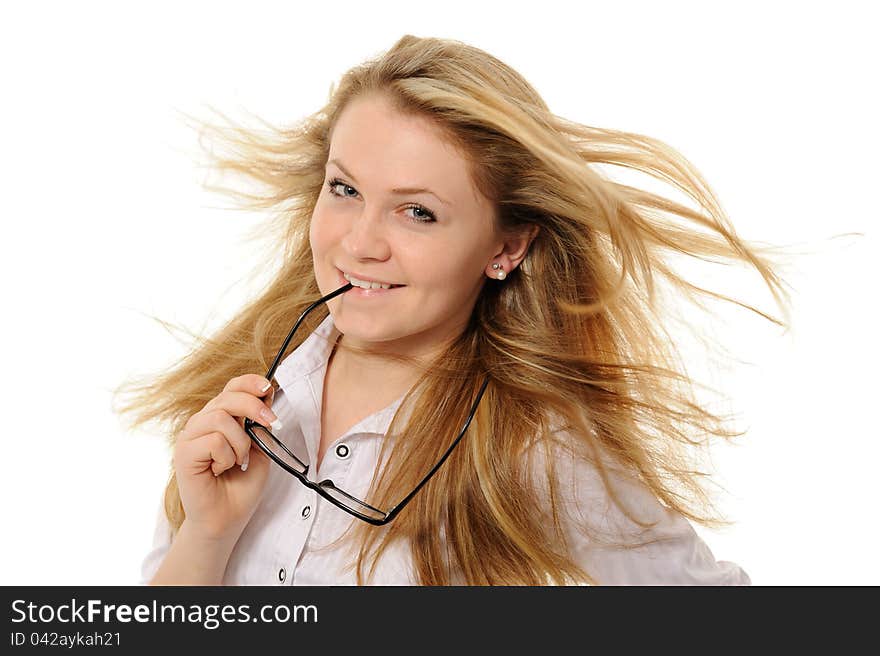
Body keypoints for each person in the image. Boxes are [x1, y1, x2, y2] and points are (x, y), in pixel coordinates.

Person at [116, 34, 791, 585]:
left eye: (418, 212)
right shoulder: (245, 392)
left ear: (506, 246)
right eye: (345, 188)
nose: (359, 243)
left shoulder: (539, 449)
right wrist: (208, 534)